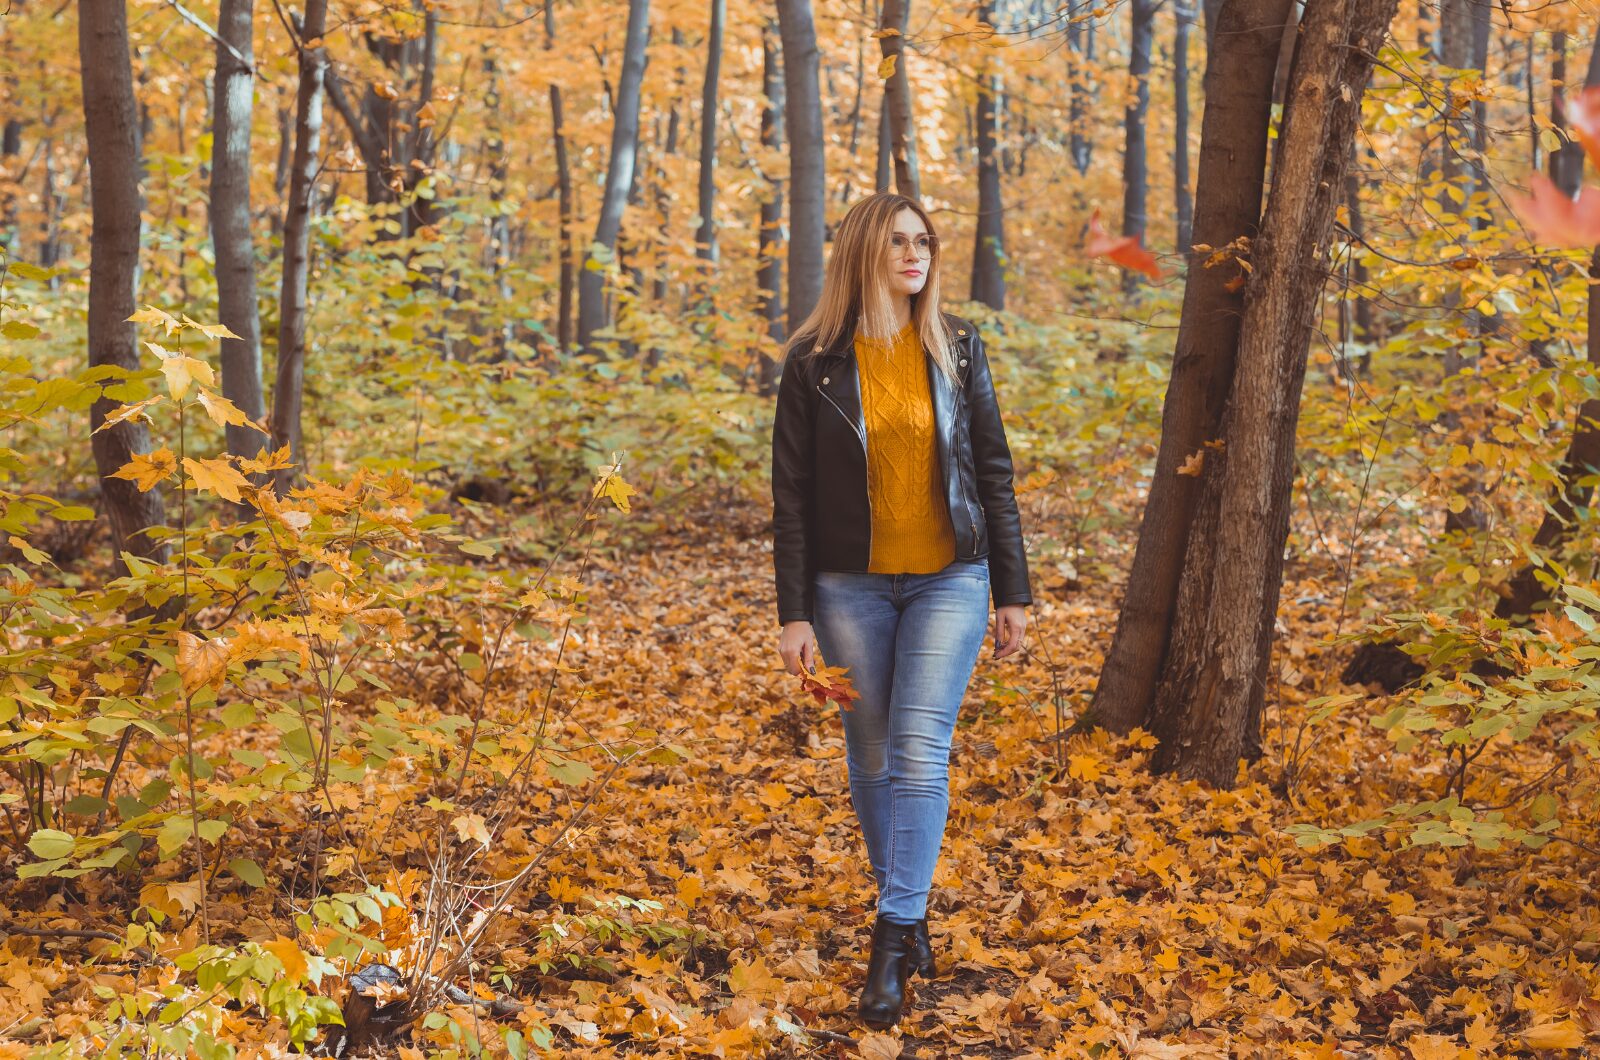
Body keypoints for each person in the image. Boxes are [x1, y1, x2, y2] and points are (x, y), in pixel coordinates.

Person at [769, 191, 1033, 1030]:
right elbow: (791, 498)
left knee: (920, 751)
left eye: (923, 241)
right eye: (896, 243)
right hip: (847, 587)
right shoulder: (813, 361)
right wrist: (793, 610)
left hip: (949, 580)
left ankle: (891, 936)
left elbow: (993, 471)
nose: (913, 255)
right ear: (861, 254)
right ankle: (910, 914)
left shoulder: (957, 346)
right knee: (873, 756)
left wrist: (1013, 592)